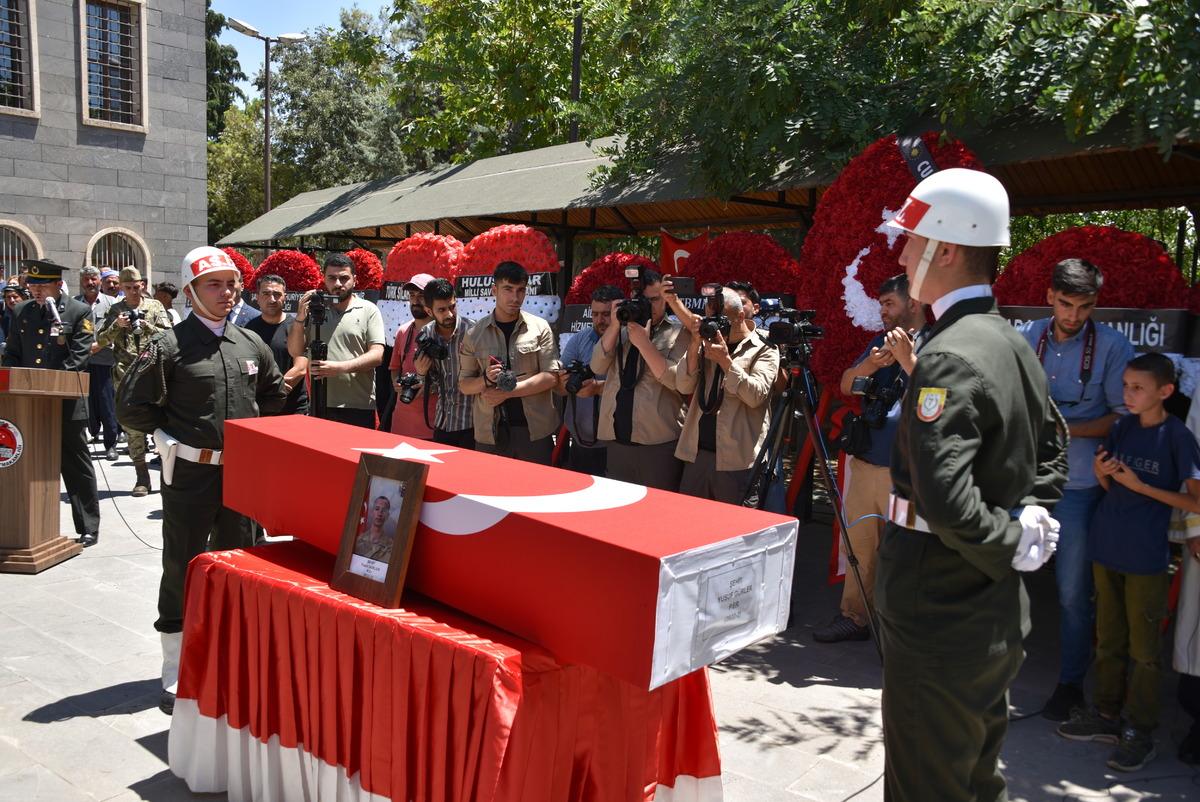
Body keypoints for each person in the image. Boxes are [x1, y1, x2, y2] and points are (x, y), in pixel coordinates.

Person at [876, 168, 1068, 802]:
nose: (902, 253)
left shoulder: (948, 354)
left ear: (947, 250)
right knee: (975, 779)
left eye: (911, 240)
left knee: (927, 786)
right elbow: (1053, 453)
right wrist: (1029, 520)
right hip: (989, 611)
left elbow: (946, 500)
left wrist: (1010, 535)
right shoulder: (1012, 341)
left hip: (940, 607)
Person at [117, 245, 286, 715]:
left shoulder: (250, 344)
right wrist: (166, 435)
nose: (226, 292)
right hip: (190, 474)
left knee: (243, 563)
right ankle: (175, 664)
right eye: (214, 284)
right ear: (191, 292)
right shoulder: (168, 346)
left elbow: (276, 399)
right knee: (183, 564)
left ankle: (235, 653)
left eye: (231, 283)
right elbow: (131, 405)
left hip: (243, 476)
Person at [1056, 353, 1200, 771]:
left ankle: (1141, 729)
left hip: (1145, 558)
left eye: (1138, 388)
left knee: (1144, 652)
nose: (1128, 395)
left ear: (1166, 392)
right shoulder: (1121, 426)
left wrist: (1142, 486)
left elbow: (1194, 500)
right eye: (1125, 386)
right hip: (1107, 546)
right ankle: (1105, 715)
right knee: (1110, 639)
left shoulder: (1176, 437)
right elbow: (1109, 483)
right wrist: (1103, 473)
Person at [1019, 258, 1135, 720]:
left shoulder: (1112, 345)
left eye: (1084, 307)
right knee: (998, 573)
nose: (1073, 316)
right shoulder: (1027, 337)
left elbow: (1121, 416)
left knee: (1071, 592)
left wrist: (1062, 428)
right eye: (1065, 304)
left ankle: (1070, 685)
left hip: (1080, 485)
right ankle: (985, 666)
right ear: (1049, 296)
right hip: (1023, 481)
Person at [815, 273, 928, 643]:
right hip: (866, 466)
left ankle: (901, 630)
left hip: (908, 472)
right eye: (880, 304)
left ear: (913, 303)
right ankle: (855, 617)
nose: (882, 311)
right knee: (860, 547)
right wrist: (871, 366)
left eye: (888, 304)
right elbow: (847, 383)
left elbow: (941, 398)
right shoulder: (877, 343)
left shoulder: (938, 345)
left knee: (907, 554)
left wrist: (907, 360)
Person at [2, 259, 102, 547]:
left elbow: (79, 356)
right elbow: (13, 352)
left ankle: (88, 526)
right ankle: (26, 526)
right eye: (32, 285)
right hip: (25, 405)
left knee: (75, 465)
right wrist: (11, 377)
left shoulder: (78, 311)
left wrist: (51, 385)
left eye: (42, 285)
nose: (35, 290)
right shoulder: (21, 311)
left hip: (66, 402)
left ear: (58, 284)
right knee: (27, 463)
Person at [675, 286, 779, 504]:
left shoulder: (765, 347)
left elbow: (756, 396)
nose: (716, 325)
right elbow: (683, 386)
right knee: (689, 528)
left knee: (734, 531)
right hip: (697, 456)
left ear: (741, 316)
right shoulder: (706, 341)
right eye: (712, 318)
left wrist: (725, 361)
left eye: (724, 319)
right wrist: (695, 345)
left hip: (737, 461)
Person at [591, 269, 690, 490]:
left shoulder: (679, 332)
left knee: (657, 514)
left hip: (657, 444)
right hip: (616, 439)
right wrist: (616, 324)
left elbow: (676, 381)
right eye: (643, 300)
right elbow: (597, 366)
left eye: (655, 300)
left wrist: (644, 344)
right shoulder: (622, 329)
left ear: (666, 301)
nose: (648, 306)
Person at [459, 261, 560, 463]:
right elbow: (464, 385)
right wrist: (486, 380)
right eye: (508, 289)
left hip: (534, 431)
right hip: (490, 432)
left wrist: (507, 393)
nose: (515, 298)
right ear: (494, 290)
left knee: (538, 492)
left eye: (520, 290)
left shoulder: (540, 327)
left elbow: (551, 377)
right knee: (489, 494)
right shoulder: (474, 334)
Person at [97, 267, 173, 497]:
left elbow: (168, 334)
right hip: (126, 374)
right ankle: (142, 476)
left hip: (153, 373)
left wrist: (146, 324)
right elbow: (101, 339)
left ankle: (166, 475)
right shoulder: (115, 310)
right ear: (121, 287)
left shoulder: (155, 307)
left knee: (162, 422)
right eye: (127, 287)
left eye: (136, 286)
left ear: (143, 285)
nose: (132, 291)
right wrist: (116, 326)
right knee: (132, 426)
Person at [288, 253, 385, 428]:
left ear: (354, 280)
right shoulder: (314, 309)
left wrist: (340, 368)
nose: (338, 284)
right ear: (323, 278)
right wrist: (300, 316)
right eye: (332, 278)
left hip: (358, 406)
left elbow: (377, 355)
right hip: (319, 403)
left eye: (344, 278)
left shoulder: (368, 309)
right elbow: (295, 351)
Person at [557, 285, 623, 476]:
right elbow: (560, 386)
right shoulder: (579, 340)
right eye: (594, 314)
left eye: (605, 314)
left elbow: (639, 387)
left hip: (617, 443)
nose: (599, 321)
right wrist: (561, 380)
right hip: (580, 440)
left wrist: (599, 388)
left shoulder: (631, 339)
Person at [412, 278, 474, 448]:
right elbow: (431, 385)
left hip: (472, 425)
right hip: (442, 424)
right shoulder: (426, 334)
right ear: (429, 311)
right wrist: (421, 373)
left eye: (452, 306)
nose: (449, 314)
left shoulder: (473, 332)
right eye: (441, 309)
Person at [245, 273, 309, 415]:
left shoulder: (297, 327)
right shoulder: (248, 329)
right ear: (257, 297)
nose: (272, 299)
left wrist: (275, 389)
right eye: (266, 293)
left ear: (285, 296)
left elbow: (301, 368)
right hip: (259, 409)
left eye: (277, 294)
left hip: (293, 409)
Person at [74, 267, 120, 461]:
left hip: (104, 360)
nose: (90, 283)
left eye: (93, 279)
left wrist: (98, 346)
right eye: (86, 280)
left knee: (106, 403)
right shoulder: (74, 304)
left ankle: (111, 444)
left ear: (99, 281)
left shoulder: (112, 303)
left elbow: (116, 330)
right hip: (81, 361)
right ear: (81, 282)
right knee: (87, 404)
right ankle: (93, 432)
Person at [387, 273, 437, 438]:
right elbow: (394, 367)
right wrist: (397, 383)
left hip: (433, 425)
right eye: (412, 295)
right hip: (401, 424)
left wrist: (431, 386)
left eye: (421, 296)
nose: (415, 301)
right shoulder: (403, 331)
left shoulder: (444, 332)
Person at [353, 496, 395, 562]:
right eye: (377, 509)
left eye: (383, 510)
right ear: (372, 512)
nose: (379, 514)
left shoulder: (391, 546)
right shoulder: (358, 540)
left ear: (387, 515)